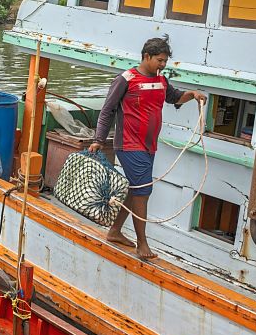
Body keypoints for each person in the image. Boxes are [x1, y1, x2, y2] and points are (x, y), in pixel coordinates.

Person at [87, 36, 206, 260]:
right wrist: (98, 140)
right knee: (143, 191)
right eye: (159, 60)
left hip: (149, 146)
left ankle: (115, 231)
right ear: (146, 56)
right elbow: (107, 111)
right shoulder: (126, 79)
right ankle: (142, 244)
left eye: (165, 61)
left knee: (136, 189)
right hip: (129, 145)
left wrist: (192, 95)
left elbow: (174, 98)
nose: (162, 65)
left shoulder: (161, 80)